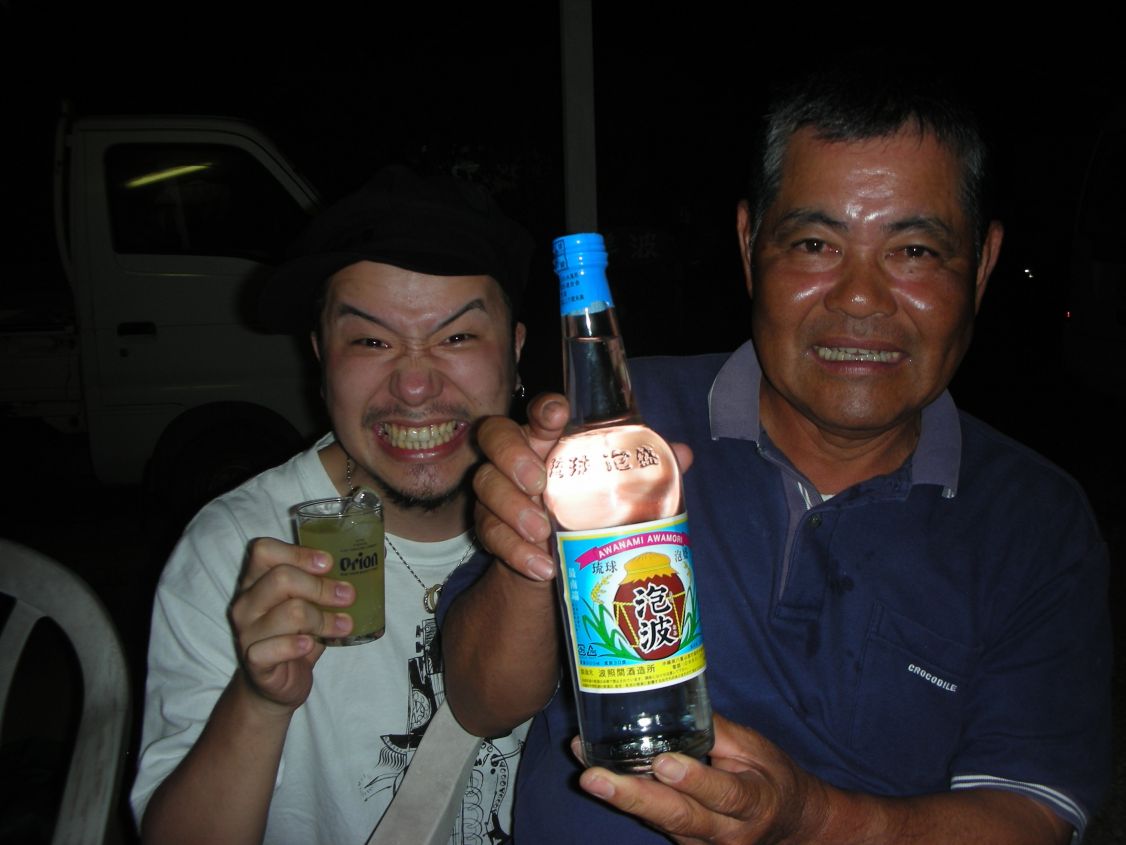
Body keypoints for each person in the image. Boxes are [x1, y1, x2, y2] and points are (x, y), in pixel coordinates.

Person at [439, 71, 1112, 844]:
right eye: (816, 244)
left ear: (983, 265)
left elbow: (1029, 815)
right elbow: (479, 701)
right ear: (749, 243)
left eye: (915, 250)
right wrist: (531, 550)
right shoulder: (625, 437)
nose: (860, 297)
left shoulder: (1036, 519)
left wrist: (808, 821)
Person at [130, 165, 534, 844]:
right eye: (371, 341)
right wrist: (260, 700)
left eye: (457, 337)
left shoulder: (588, 525)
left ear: (516, 351)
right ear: (320, 358)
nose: (413, 385)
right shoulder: (237, 546)